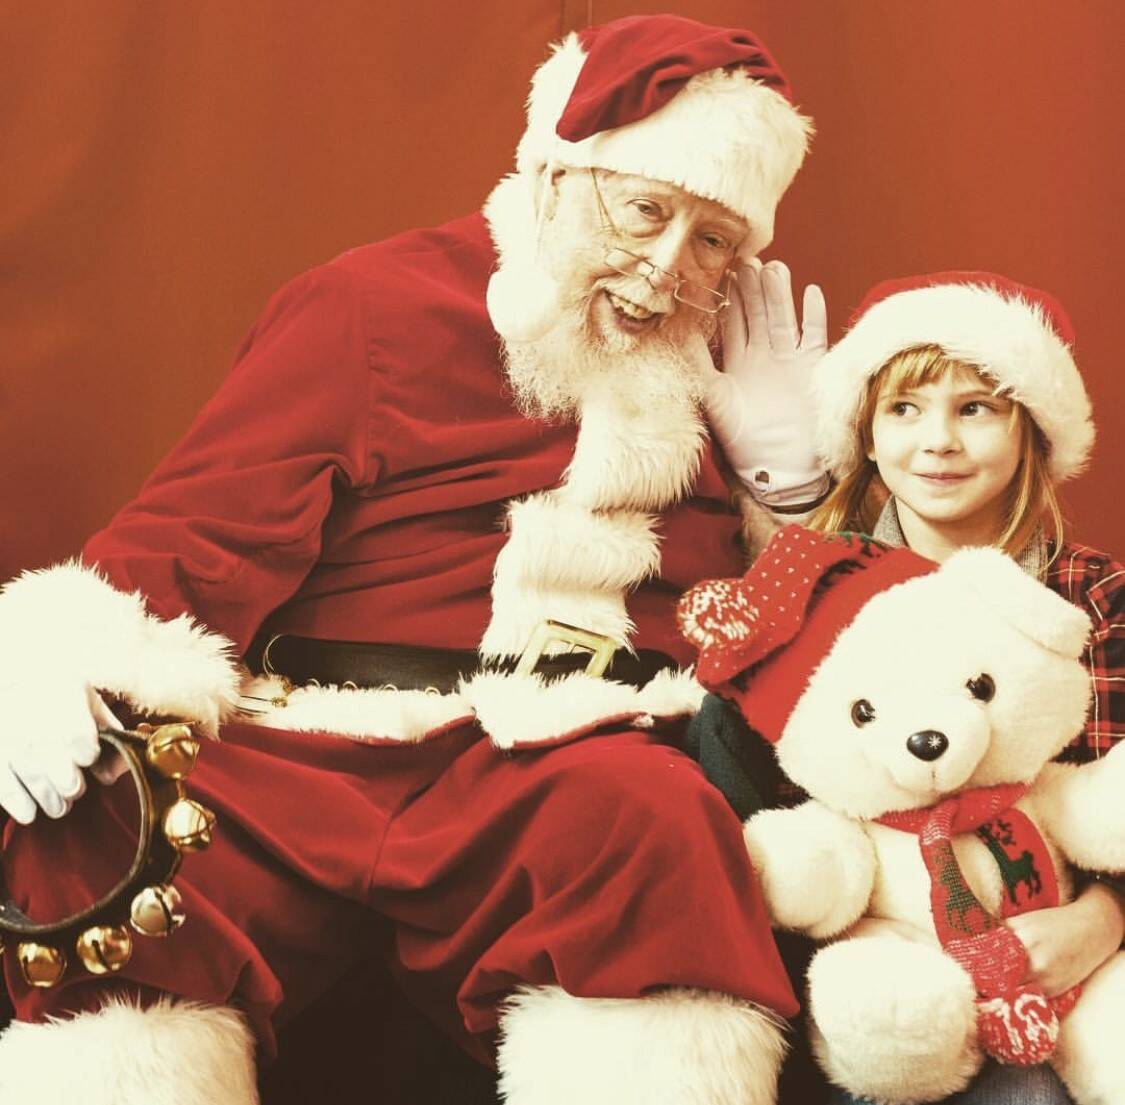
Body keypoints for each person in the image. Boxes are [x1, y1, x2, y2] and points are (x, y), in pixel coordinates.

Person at [0, 15, 832, 1105]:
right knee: (104, 816)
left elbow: (794, 640)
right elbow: (195, 532)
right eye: (646, 210)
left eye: (716, 240)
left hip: (563, 756)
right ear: (554, 179)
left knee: (653, 822)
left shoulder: (728, 369)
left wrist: (793, 486)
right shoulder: (374, 303)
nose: (670, 266)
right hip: (314, 740)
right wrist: (49, 652)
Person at [805, 271, 1125, 1104]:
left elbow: (1111, 799)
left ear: (1030, 431)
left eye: (974, 408)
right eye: (904, 410)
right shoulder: (813, 588)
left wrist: (1104, 916)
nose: (937, 440)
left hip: (1055, 946)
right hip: (884, 962)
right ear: (866, 436)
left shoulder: (1093, 596)